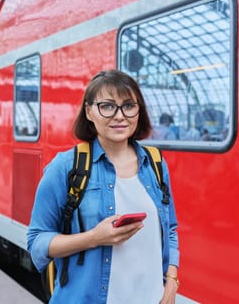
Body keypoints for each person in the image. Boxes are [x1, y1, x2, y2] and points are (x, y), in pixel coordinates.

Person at [27, 69, 180, 303]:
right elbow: (37, 241)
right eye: (107, 106)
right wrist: (95, 238)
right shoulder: (66, 168)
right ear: (89, 111)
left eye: (128, 106)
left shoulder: (155, 164)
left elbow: (170, 229)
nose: (120, 116)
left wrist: (171, 281)